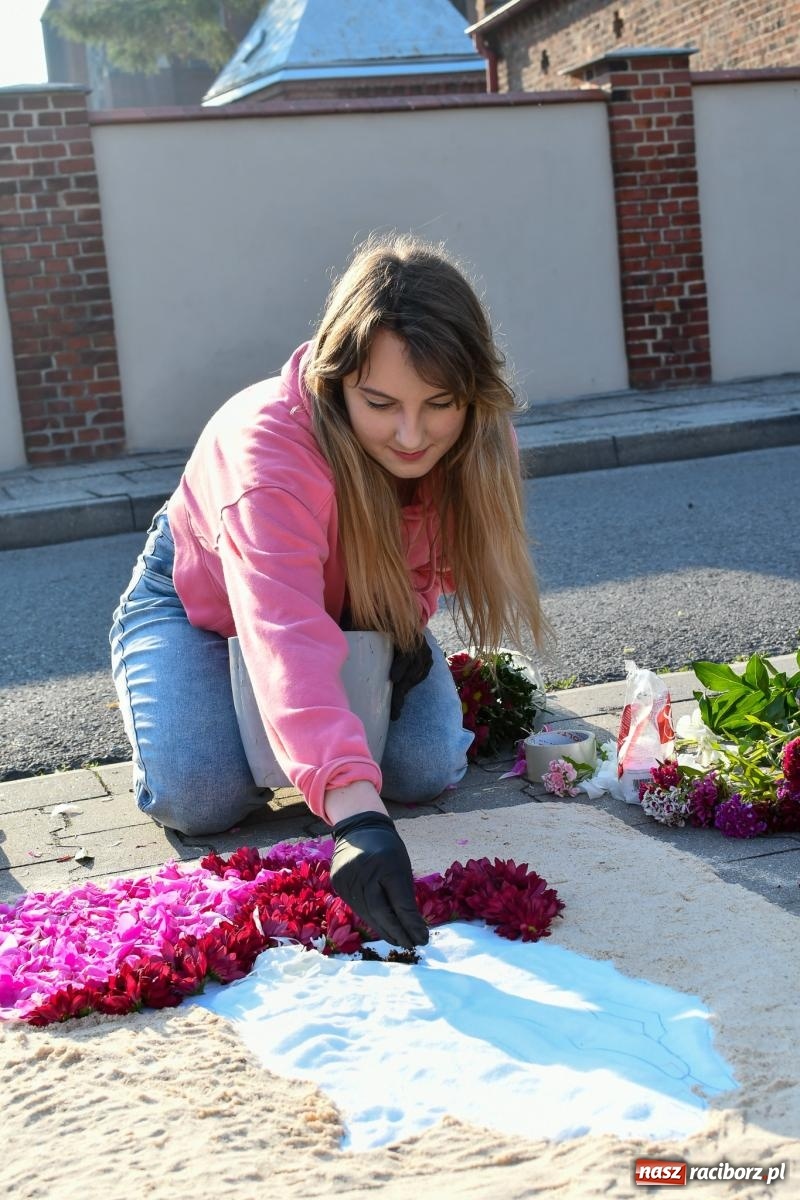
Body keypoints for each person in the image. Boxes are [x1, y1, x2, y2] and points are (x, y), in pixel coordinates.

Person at [110, 233, 546, 950]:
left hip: (352, 605)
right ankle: (170, 686)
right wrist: (357, 818)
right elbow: (282, 633)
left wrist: (407, 622)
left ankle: (295, 731)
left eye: (439, 404)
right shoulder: (269, 454)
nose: (412, 435)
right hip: (204, 602)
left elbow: (424, 563)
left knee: (426, 767)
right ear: (338, 380)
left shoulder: (468, 437)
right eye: (381, 403)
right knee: (201, 797)